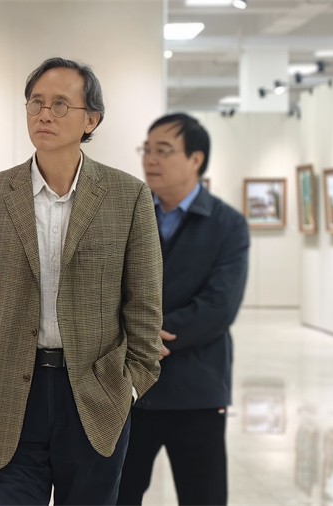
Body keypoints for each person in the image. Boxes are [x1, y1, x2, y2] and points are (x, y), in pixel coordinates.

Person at [0, 57, 163, 505]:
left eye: (60, 104)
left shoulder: (128, 196)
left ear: (91, 120)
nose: (44, 114)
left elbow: (144, 304)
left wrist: (131, 384)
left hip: (96, 393)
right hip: (10, 394)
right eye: (36, 103)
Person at [116, 113, 250, 506]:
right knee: (117, 495)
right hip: (130, 389)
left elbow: (219, 305)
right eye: (147, 149)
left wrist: (147, 337)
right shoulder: (128, 215)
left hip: (197, 390)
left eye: (164, 150)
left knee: (202, 496)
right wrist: (139, 341)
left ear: (196, 159)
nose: (150, 159)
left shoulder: (227, 225)